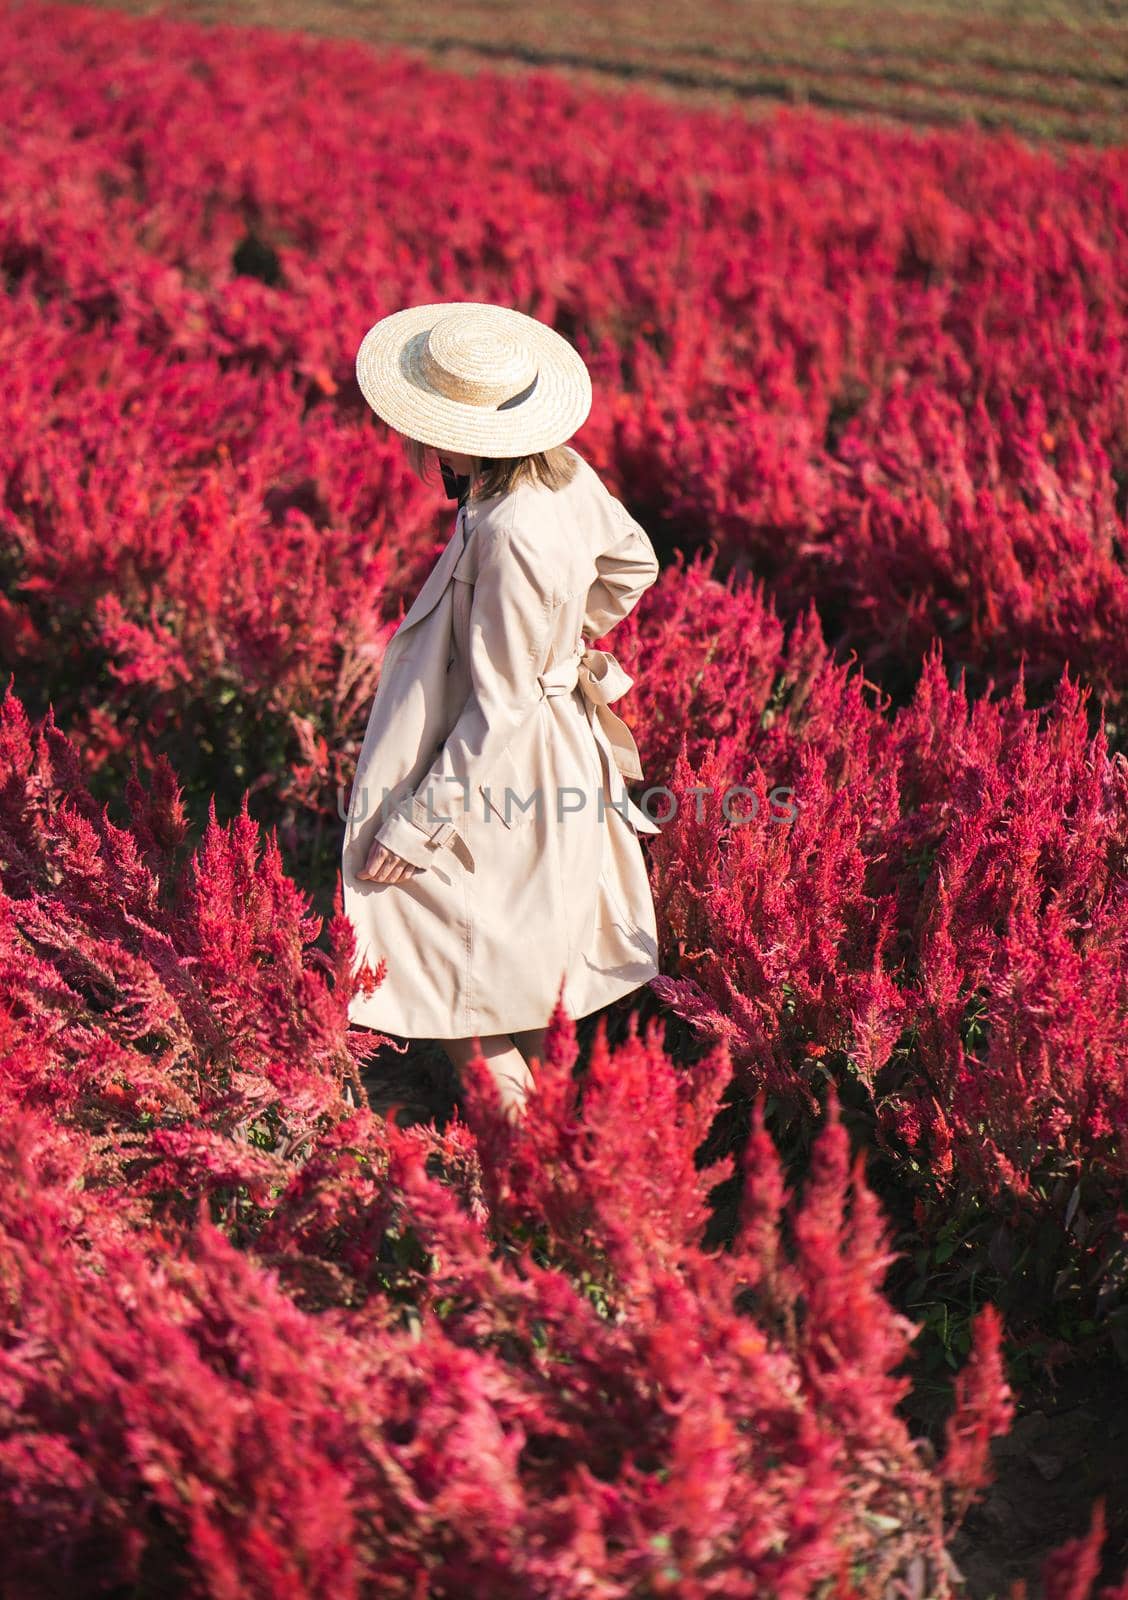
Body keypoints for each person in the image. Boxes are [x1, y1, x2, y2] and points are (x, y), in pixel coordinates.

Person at [342, 301, 662, 1120]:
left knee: (444, 940)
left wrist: (418, 824)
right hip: (544, 737)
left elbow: (502, 705)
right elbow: (634, 563)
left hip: (508, 760)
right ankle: (541, 1138)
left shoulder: (511, 530)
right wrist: (566, 640)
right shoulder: (561, 472)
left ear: (456, 433)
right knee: (474, 950)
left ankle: (521, 1146)